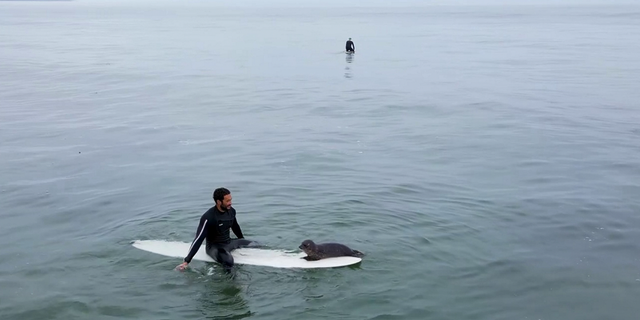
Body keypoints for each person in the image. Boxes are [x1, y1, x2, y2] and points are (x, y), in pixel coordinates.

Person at [175, 187, 253, 272]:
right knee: (229, 262)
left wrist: (242, 240)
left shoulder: (231, 211)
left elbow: (235, 227)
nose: (230, 203)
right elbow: (198, 239)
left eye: (230, 200)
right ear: (219, 202)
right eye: (227, 201)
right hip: (215, 248)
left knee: (254, 243)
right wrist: (187, 261)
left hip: (228, 242)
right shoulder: (209, 217)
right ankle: (230, 283)